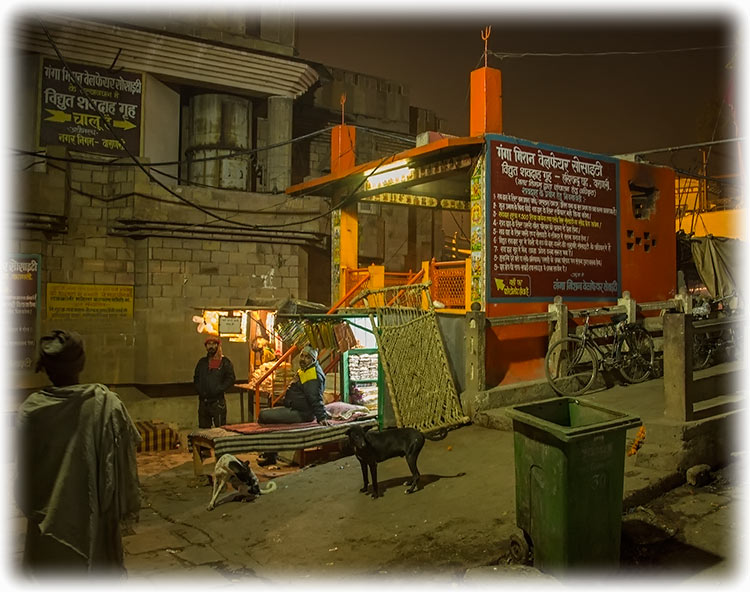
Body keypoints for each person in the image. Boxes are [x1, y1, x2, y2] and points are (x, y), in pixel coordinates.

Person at [16, 330, 141, 577]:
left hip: (47, 533)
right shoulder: (104, 404)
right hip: (92, 531)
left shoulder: (31, 410)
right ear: (81, 364)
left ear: (46, 368)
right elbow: (121, 471)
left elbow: (23, 482)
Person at [257, 345, 331, 466]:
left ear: (313, 360)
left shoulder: (312, 374)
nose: (303, 359)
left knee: (264, 415)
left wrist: (322, 417)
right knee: (269, 416)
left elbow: (315, 398)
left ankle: (270, 454)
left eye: (307, 357)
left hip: (302, 414)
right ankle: (270, 454)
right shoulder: (306, 369)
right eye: (302, 355)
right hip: (295, 409)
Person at [194, 336, 236, 428]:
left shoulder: (224, 362)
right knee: (204, 431)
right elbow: (196, 378)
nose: (211, 346)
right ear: (206, 347)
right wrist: (200, 390)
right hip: (203, 403)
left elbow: (230, 378)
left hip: (217, 402)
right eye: (209, 344)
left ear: (218, 345)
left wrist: (219, 389)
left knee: (220, 430)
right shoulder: (202, 362)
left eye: (214, 344)